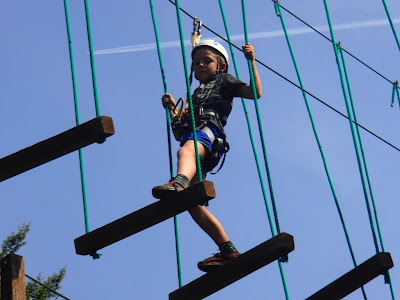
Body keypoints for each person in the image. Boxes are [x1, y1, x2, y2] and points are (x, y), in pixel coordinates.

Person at [152, 40, 262, 272]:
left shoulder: (224, 80)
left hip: (208, 133)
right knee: (192, 205)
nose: (200, 65)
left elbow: (254, 93)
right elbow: (180, 129)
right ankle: (227, 250)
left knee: (185, 151)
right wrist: (173, 110)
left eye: (207, 61)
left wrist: (251, 61)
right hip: (196, 138)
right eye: (196, 62)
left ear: (221, 65)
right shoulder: (195, 95)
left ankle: (180, 181)